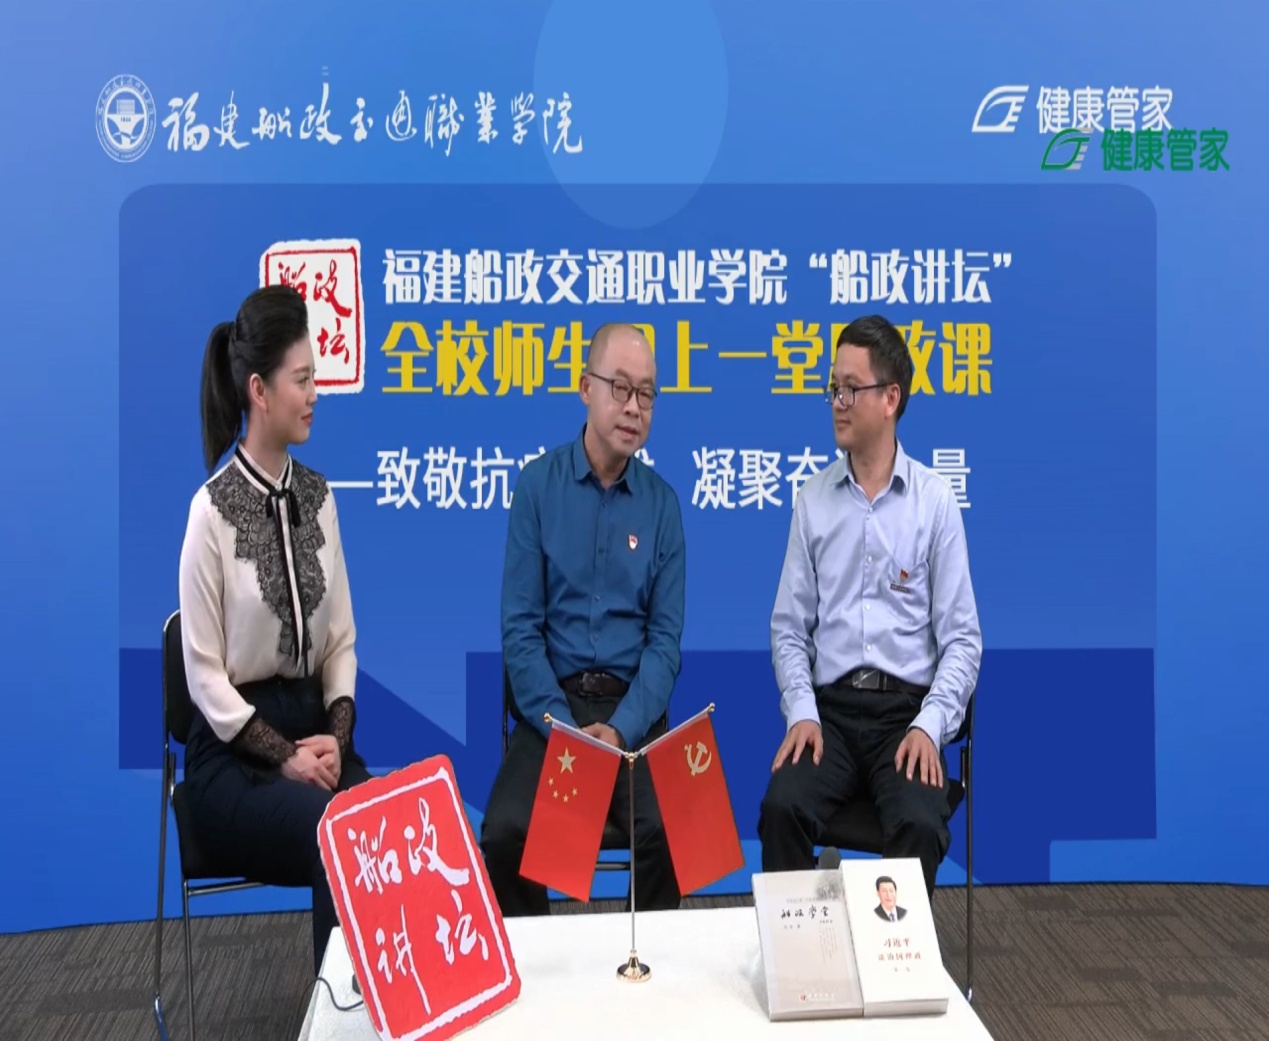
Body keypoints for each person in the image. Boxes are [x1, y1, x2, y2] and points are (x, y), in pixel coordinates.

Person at [177, 284, 372, 974]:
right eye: (303, 380)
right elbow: (204, 677)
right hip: (234, 758)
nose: (315, 394)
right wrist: (284, 755)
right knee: (334, 831)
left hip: (315, 732)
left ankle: (392, 1006)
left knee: (387, 819)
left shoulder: (320, 498)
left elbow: (340, 642)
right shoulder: (210, 512)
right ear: (259, 391)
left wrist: (336, 737)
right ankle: (339, 1014)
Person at [759, 314, 981, 898]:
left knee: (919, 823)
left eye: (851, 388)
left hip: (903, 717)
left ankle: (895, 955)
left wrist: (931, 725)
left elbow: (962, 641)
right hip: (829, 716)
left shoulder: (934, 503)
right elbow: (789, 630)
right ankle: (802, 951)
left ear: (890, 399)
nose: (837, 402)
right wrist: (802, 712)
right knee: (781, 808)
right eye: (833, 387)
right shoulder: (813, 500)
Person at [480, 323, 685, 916]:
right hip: (553, 714)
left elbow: (664, 644)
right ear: (584, 388)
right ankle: (539, 964)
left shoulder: (663, 506)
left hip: (633, 718)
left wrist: (619, 731)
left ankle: (645, 967)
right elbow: (521, 631)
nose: (633, 407)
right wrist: (565, 729)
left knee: (672, 832)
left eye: (646, 393)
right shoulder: (537, 488)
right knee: (505, 834)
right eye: (620, 387)